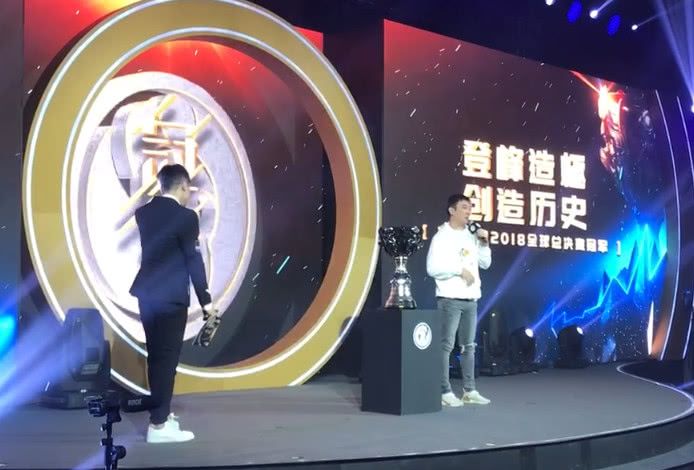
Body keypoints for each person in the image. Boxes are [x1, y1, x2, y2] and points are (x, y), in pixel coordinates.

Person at [130, 164, 217, 443]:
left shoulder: (143, 213)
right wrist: (206, 302)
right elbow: (193, 260)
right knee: (167, 360)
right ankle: (158, 426)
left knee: (156, 356)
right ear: (182, 186)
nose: (188, 195)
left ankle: (161, 415)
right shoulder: (186, 218)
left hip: (147, 294)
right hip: (171, 298)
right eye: (187, 190)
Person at [426, 194, 492, 407]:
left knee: (469, 346)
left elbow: (485, 264)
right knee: (445, 345)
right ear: (452, 211)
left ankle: (469, 390)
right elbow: (432, 268)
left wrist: (484, 243)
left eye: (470, 207)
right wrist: (459, 270)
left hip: (471, 298)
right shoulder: (441, 237)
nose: (468, 211)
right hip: (450, 298)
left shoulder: (471, 236)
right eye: (464, 207)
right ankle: (444, 391)